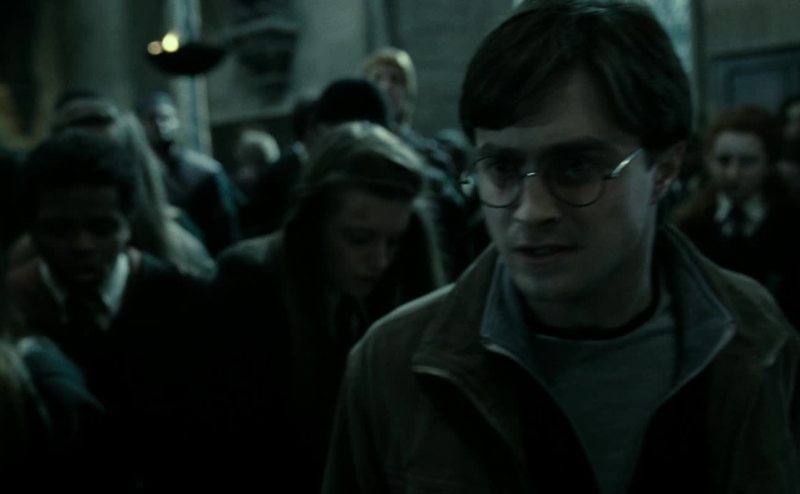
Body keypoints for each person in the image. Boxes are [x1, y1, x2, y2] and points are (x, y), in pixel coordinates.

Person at [323, 1, 800, 493]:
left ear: (664, 169)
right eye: (502, 169)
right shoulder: (392, 365)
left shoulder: (756, 338)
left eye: (575, 167)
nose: (531, 211)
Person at [211, 120, 445, 491]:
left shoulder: (383, 290)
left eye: (393, 241)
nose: (380, 261)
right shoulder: (250, 282)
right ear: (316, 221)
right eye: (359, 238)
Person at [7, 129, 212, 489]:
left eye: (102, 228)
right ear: (32, 229)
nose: (82, 245)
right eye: (59, 230)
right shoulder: (13, 309)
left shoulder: (185, 302)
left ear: (128, 224)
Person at [673, 106, 800, 327]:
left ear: (769, 163)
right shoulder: (689, 226)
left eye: (748, 162)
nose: (733, 173)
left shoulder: (792, 225)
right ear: (709, 161)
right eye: (723, 161)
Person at [137, 91, 241, 255]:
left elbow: (226, 228)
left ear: (177, 121)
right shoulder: (138, 175)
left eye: (165, 118)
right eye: (151, 119)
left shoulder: (205, 173)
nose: (159, 125)